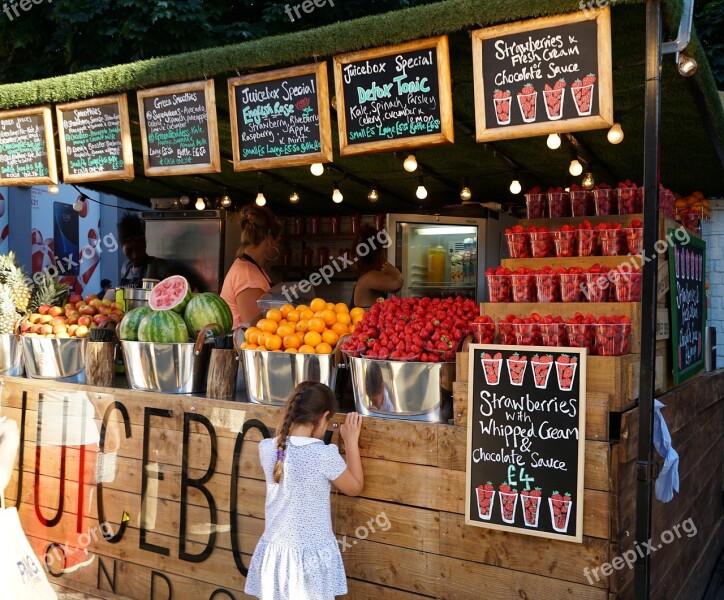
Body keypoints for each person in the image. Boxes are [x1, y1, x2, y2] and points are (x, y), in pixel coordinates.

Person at [245, 382, 363, 600]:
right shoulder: (323, 456)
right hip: (310, 561)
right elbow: (354, 487)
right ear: (323, 417)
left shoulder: (268, 449)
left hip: (276, 556)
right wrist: (351, 441)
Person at [220, 204, 282, 329]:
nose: (280, 246)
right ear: (269, 240)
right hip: (240, 346)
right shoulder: (248, 276)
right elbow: (255, 327)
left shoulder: (251, 269)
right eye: (279, 241)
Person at [350, 224, 403, 309]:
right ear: (378, 253)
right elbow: (397, 283)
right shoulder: (369, 277)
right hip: (364, 321)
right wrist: (394, 272)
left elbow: (394, 289)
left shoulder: (367, 277)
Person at [116, 213, 170, 288]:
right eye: (129, 250)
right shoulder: (125, 267)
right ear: (122, 247)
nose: (135, 256)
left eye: (139, 249)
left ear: (145, 246)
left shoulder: (159, 265)